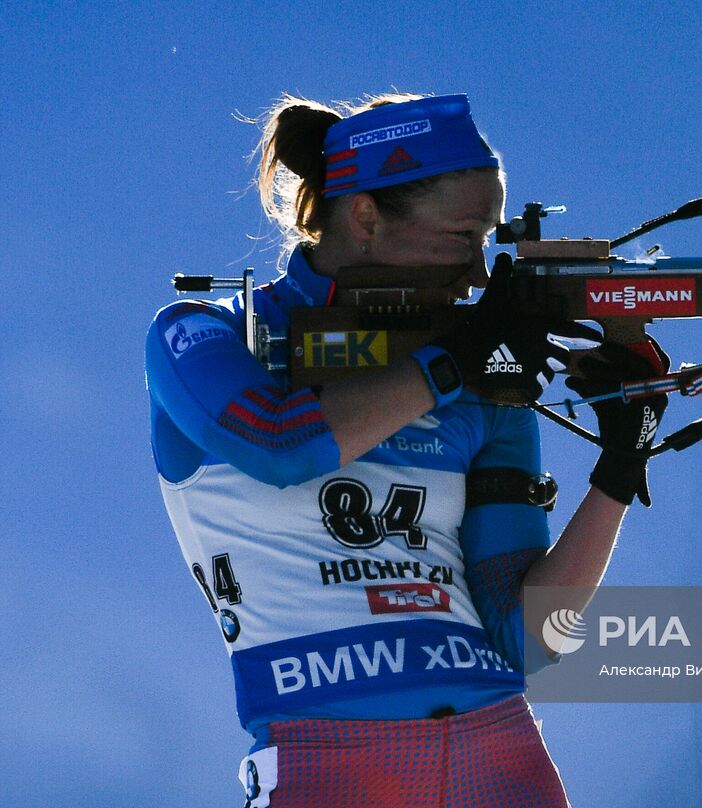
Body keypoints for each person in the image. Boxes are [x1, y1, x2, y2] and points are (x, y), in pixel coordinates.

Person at [144, 92, 668, 807]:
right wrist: (453, 363)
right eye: (462, 237)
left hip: (499, 752)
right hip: (323, 758)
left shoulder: (478, 378)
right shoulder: (207, 336)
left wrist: (619, 466)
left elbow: (528, 641)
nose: (479, 273)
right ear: (363, 216)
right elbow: (281, 445)